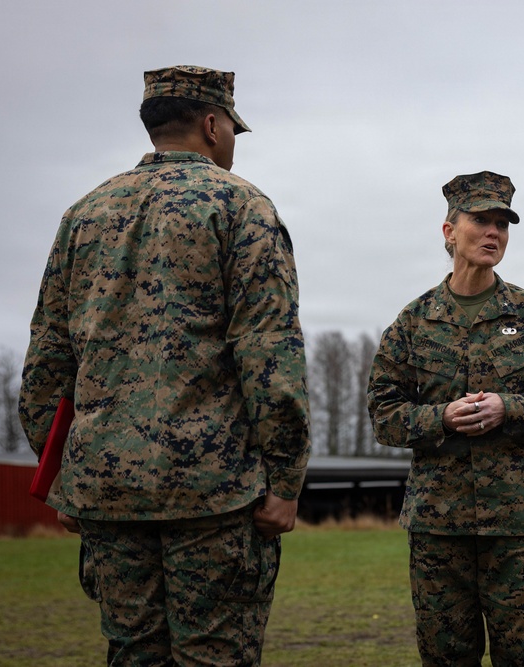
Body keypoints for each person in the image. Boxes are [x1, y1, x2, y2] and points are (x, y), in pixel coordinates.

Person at [18, 65, 311, 666]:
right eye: (232, 127)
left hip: (107, 487)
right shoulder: (241, 207)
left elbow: (48, 360)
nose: (232, 139)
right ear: (211, 124)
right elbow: (268, 352)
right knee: (215, 656)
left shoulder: (85, 213)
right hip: (214, 494)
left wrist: (66, 480)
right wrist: (284, 478)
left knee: (132, 654)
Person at [367, 171, 524, 666]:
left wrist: (512, 408)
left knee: (522, 657)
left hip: (519, 528)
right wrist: (440, 418)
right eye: (480, 220)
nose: (493, 233)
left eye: (502, 223)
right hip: (440, 529)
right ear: (448, 231)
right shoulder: (414, 322)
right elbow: (383, 413)